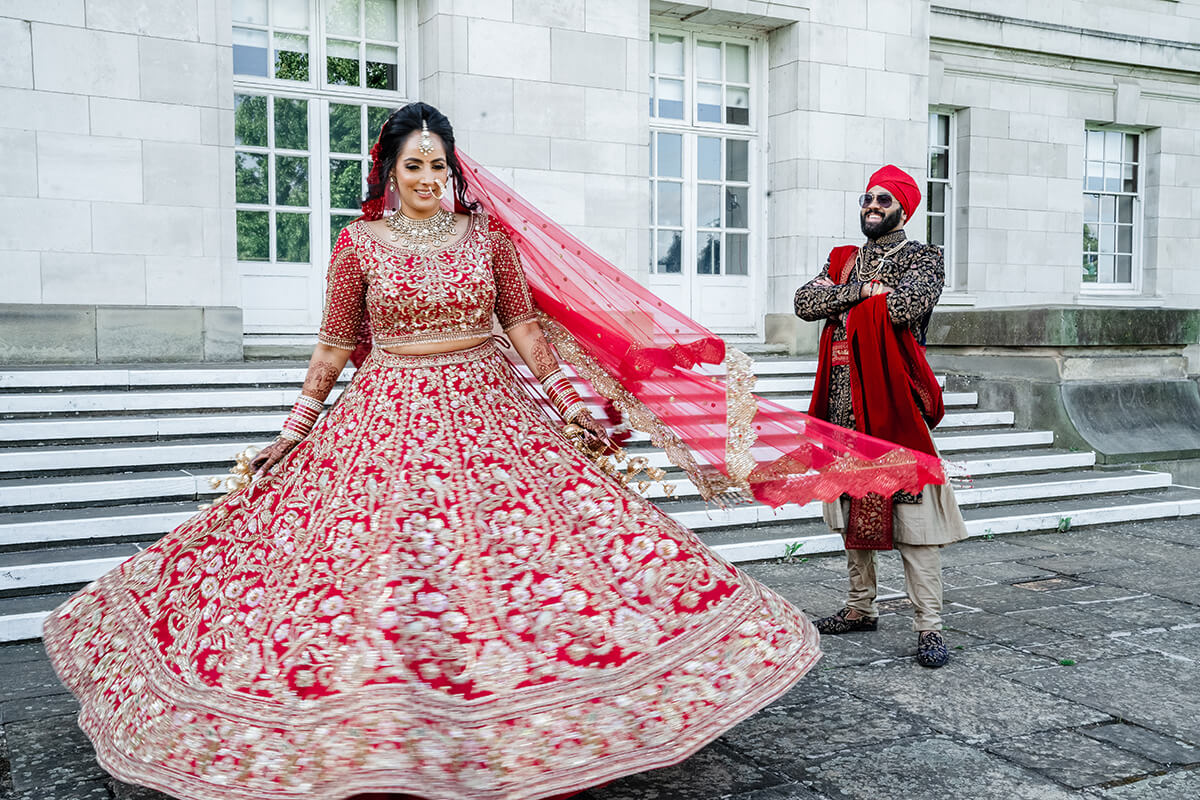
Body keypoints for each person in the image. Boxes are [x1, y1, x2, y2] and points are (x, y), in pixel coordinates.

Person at [44, 102, 830, 800]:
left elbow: (523, 328)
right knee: (379, 570)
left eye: (438, 165)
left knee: (536, 556)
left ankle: (534, 723)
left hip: (493, 411)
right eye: (413, 165)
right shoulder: (359, 244)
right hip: (386, 415)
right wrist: (295, 429)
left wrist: (568, 404)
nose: (427, 178)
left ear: (454, 170)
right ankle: (389, 733)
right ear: (389, 171)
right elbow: (334, 345)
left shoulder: (487, 239)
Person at [794, 165, 968, 669]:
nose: (872, 206)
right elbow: (805, 302)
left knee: (916, 519)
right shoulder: (843, 261)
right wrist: (860, 293)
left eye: (884, 200)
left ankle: (929, 627)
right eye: (867, 198)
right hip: (842, 407)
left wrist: (851, 303)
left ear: (903, 210)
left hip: (893, 405)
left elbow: (904, 307)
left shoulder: (923, 257)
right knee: (851, 510)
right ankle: (859, 607)